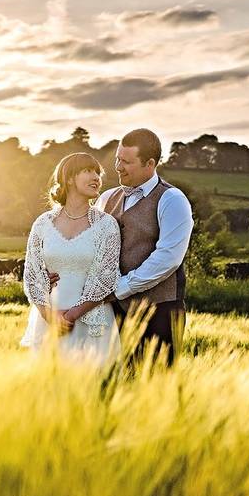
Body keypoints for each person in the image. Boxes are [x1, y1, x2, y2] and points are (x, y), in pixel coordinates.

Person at [94, 128, 193, 367]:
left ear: (150, 164)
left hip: (160, 312)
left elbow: (168, 258)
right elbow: (92, 247)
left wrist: (120, 288)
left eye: (126, 162)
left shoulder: (173, 200)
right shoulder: (106, 198)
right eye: (118, 158)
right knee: (114, 385)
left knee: (157, 389)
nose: (118, 166)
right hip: (111, 313)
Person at [20, 152, 121, 368]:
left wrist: (70, 317)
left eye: (97, 172)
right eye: (88, 171)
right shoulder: (43, 223)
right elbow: (31, 275)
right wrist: (49, 316)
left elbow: (107, 277)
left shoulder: (107, 225)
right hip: (49, 320)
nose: (96, 177)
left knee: (96, 389)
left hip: (92, 320)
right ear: (68, 178)